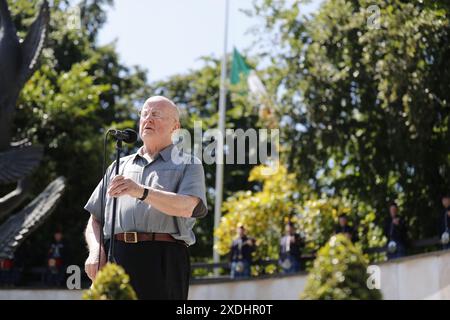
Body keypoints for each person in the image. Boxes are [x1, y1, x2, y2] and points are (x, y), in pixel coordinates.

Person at [83, 96, 208, 300]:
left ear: (175, 127)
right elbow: (95, 218)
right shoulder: (118, 165)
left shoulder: (189, 163)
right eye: (144, 113)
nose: (148, 119)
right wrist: (96, 251)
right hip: (117, 256)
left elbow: (187, 206)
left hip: (163, 258)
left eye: (156, 114)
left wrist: (141, 191)